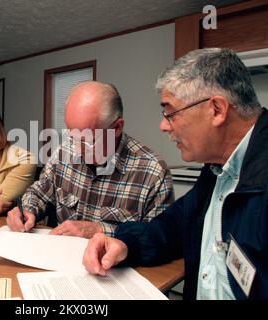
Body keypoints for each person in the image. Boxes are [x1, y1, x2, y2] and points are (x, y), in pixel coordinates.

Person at [82, 48, 268, 300]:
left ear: (216, 109)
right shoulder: (216, 170)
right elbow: (172, 228)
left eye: (171, 113)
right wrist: (126, 244)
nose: (163, 125)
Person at [7, 81, 174, 238]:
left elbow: (159, 237)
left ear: (117, 128)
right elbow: (38, 193)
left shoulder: (153, 172)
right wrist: (28, 210)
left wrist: (101, 231)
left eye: (87, 141)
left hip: (112, 266)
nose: (76, 149)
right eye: (72, 135)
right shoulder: (64, 152)